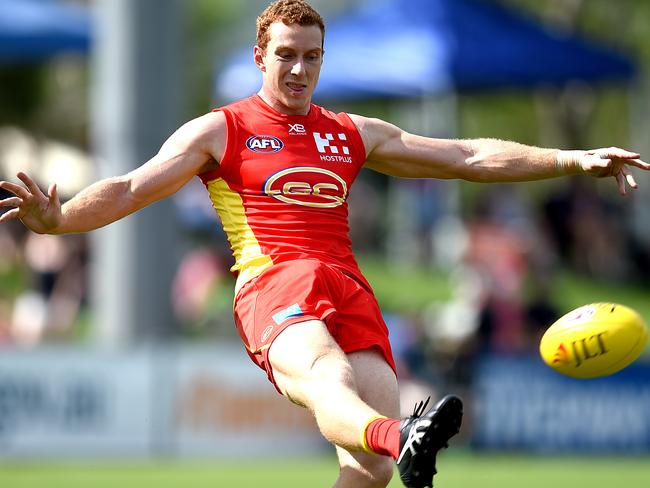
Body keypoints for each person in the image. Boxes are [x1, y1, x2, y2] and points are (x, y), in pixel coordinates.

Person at [1, 1, 648, 486]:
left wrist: (570, 157)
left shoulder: (350, 132)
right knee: (331, 380)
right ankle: (405, 432)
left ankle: (396, 438)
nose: (299, 68)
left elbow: (468, 154)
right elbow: (132, 186)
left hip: (348, 286)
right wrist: (62, 221)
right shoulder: (220, 130)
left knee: (370, 471)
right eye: (286, 54)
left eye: (311, 56)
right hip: (274, 284)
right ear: (260, 57)